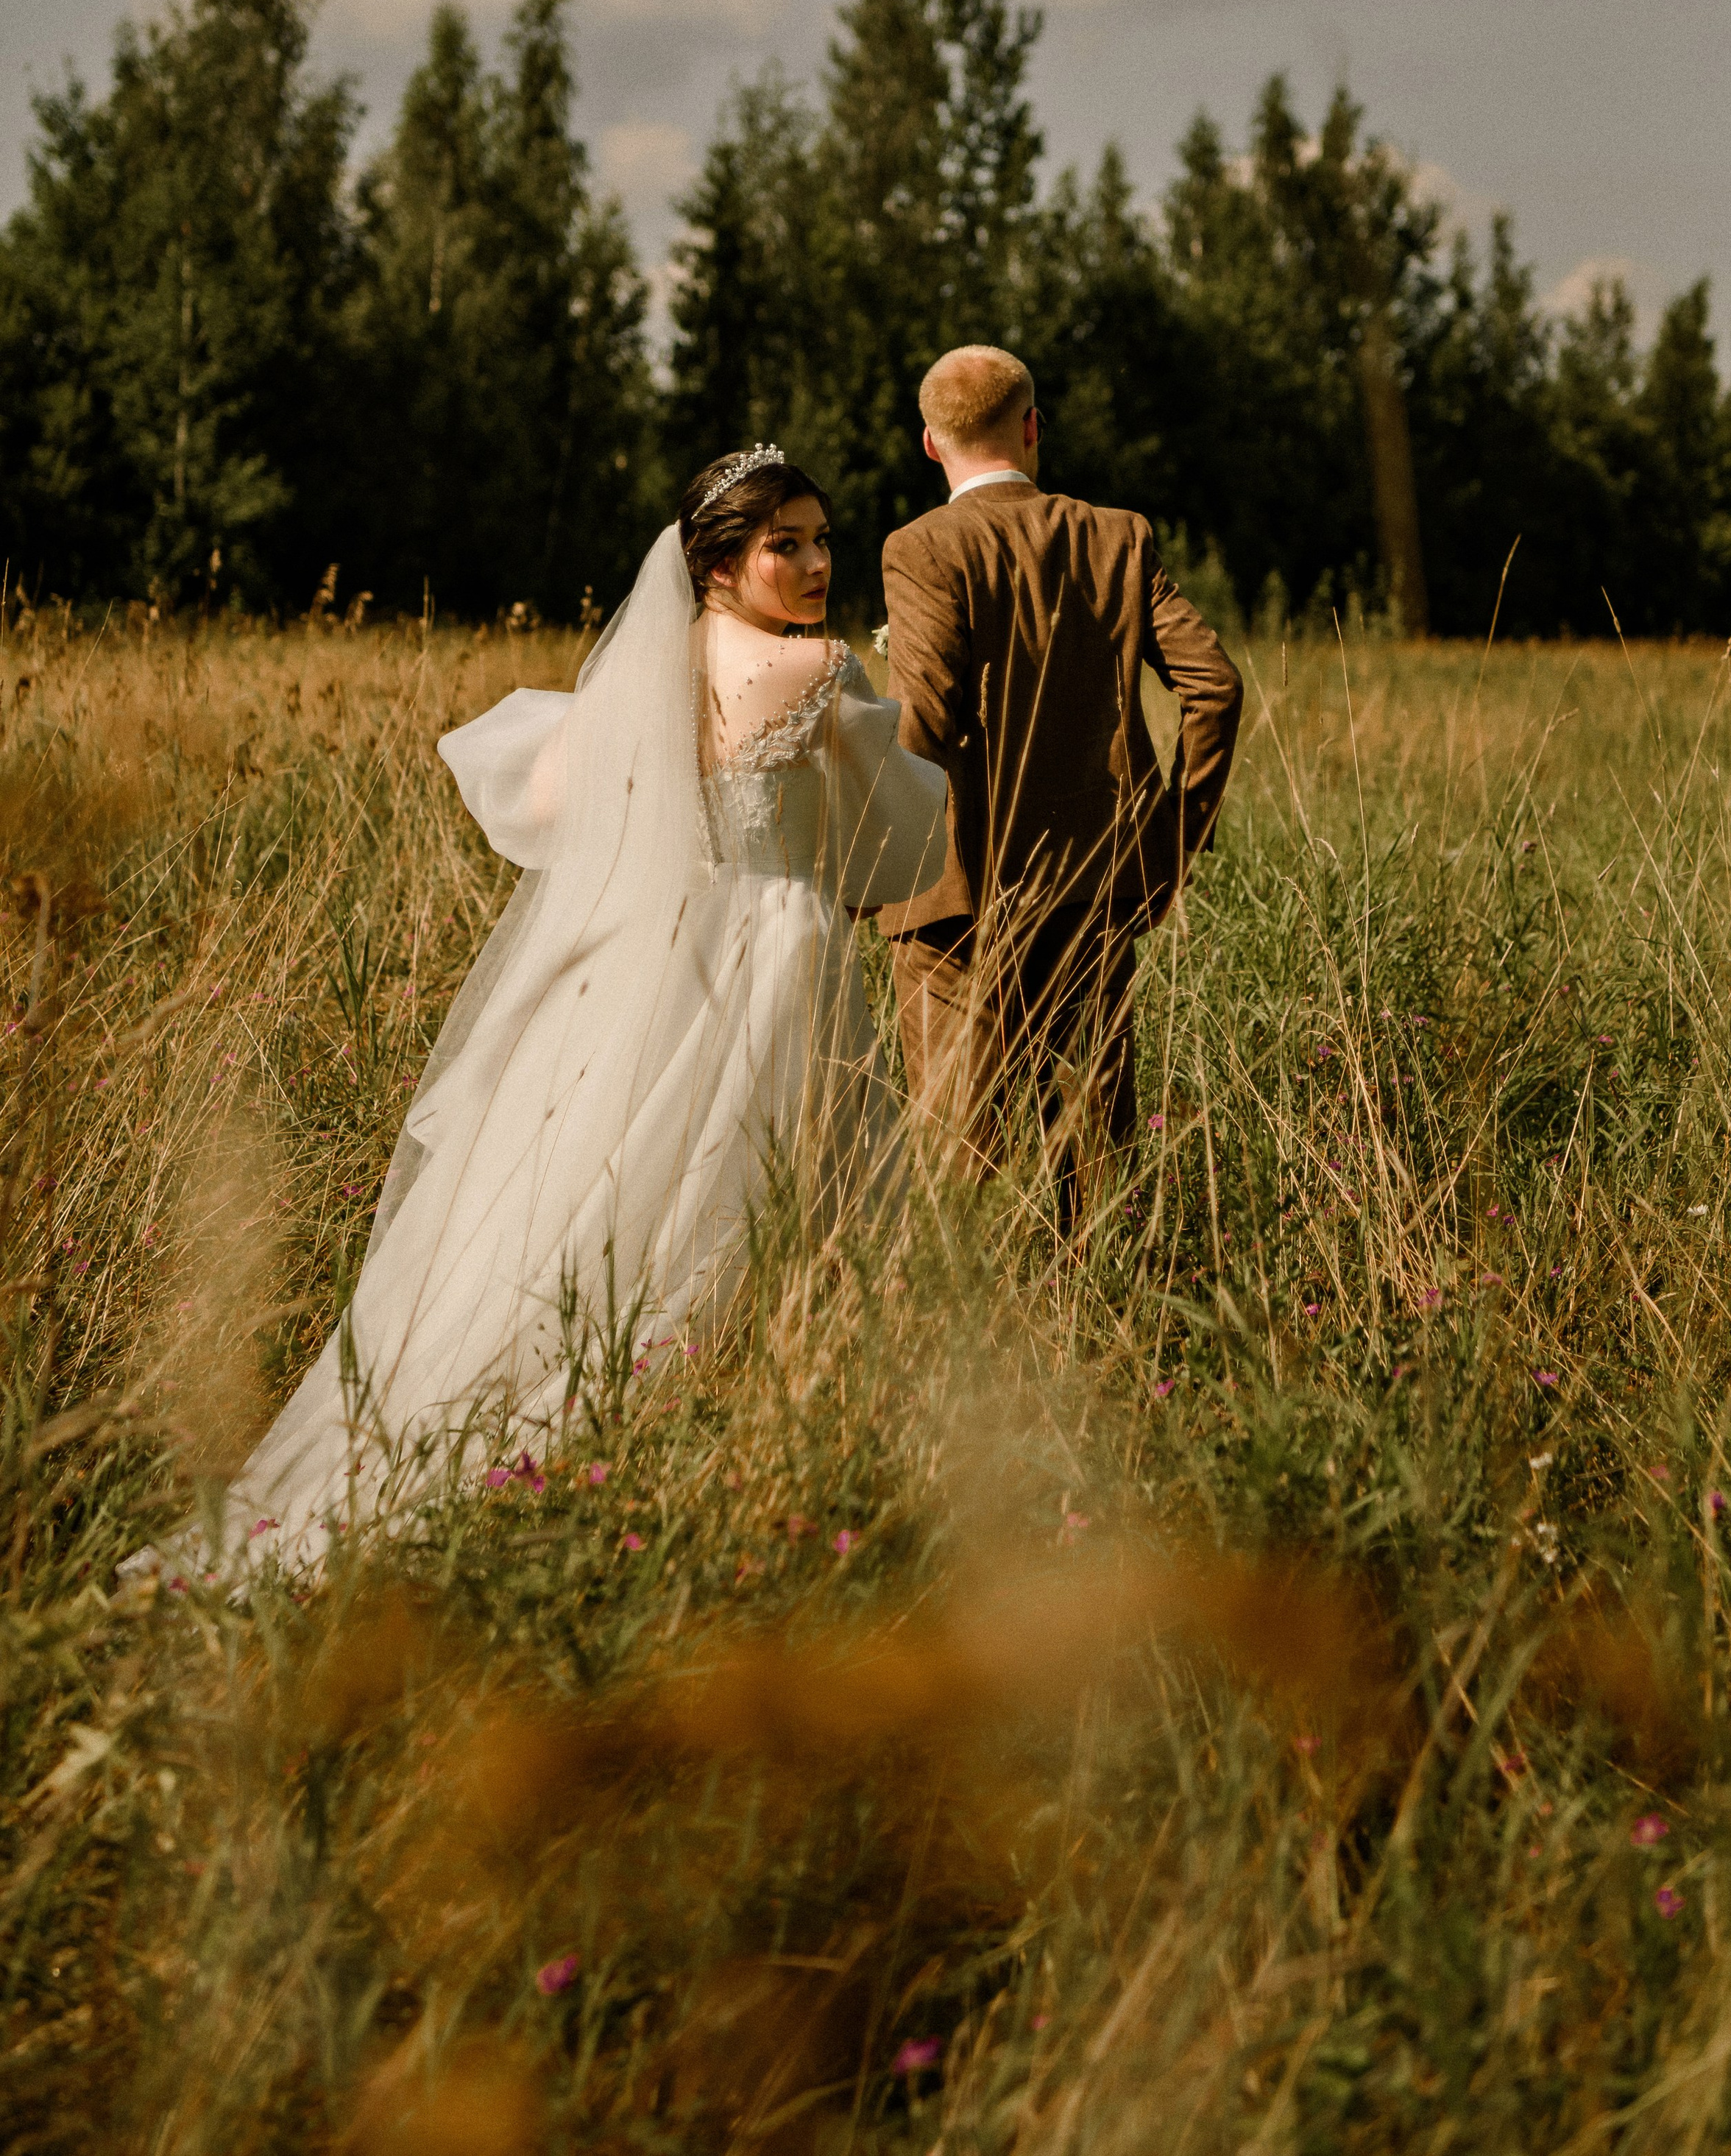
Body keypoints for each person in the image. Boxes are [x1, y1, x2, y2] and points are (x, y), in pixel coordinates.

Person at [131, 451, 946, 1583]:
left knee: (613, 1186)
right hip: (771, 947)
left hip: (649, 956)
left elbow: (558, 797)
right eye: (785, 543)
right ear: (718, 563)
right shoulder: (817, 667)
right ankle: (738, 1431)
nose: (813, 562)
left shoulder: (650, 666)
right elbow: (897, 823)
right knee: (760, 1193)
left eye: (819, 539)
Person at [877, 347, 1243, 1210]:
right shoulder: (1118, 535)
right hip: (1096, 887)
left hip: (954, 897)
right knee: (1088, 1151)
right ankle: (1098, 1320)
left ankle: (978, 1328)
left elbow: (921, 726)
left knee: (961, 1156)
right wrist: (1172, 840)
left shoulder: (920, 547)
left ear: (930, 444)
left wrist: (872, 861)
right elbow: (1215, 686)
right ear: (1033, 427)